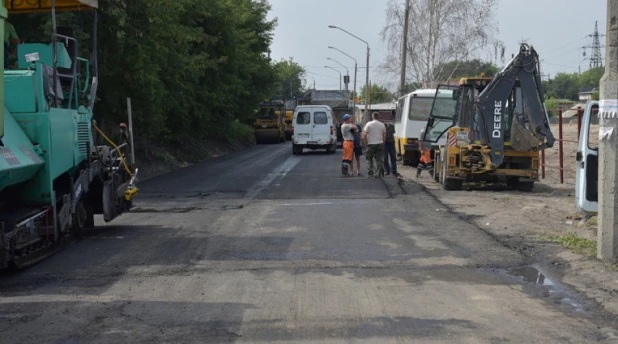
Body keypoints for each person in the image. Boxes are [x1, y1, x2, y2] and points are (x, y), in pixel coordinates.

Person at [362, 112, 386, 178]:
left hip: (370, 144)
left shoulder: (368, 124)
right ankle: (378, 174)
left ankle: (370, 173)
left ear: (372, 116)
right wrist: (383, 142)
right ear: (378, 117)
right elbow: (384, 135)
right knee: (379, 159)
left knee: (369, 159)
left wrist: (365, 142)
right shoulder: (382, 125)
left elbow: (364, 135)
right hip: (379, 144)